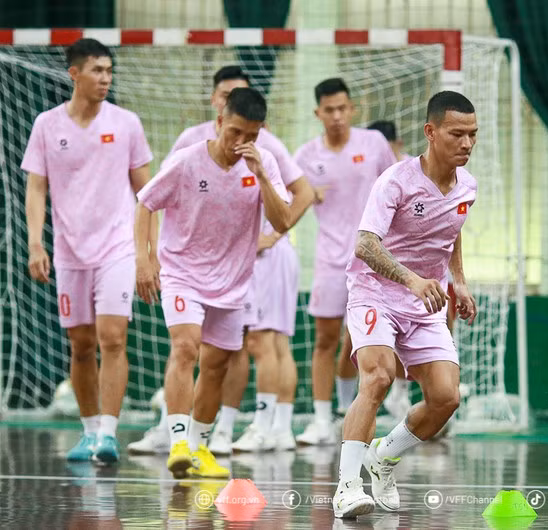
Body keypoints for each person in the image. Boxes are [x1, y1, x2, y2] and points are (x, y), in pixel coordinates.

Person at [127, 65, 314, 456]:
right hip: (182, 273)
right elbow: (145, 202)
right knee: (186, 347)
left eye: (251, 135)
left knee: (217, 365)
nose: (240, 142)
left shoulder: (264, 164)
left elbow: (282, 221)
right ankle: (178, 442)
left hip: (233, 281)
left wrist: (262, 174)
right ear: (218, 122)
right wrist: (144, 262)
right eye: (235, 133)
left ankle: (199, 448)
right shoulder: (186, 159)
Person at [332, 91, 478, 518]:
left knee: (446, 398)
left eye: (473, 135)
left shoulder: (467, 185)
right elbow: (365, 246)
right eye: (457, 134)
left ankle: (383, 457)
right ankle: (346, 487)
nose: (467, 143)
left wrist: (460, 282)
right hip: (375, 292)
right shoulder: (395, 180)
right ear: (431, 132)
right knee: (376, 379)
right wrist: (412, 279)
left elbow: (452, 230)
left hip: (425, 302)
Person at [22, 38, 155, 464]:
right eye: (97, 70)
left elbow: (147, 193)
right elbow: (36, 187)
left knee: (112, 338)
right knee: (80, 345)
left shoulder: (127, 122)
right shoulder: (47, 124)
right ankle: (89, 430)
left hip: (116, 248)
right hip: (67, 252)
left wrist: (149, 251)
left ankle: (109, 435)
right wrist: (35, 242)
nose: (105, 78)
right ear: (74, 74)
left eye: (109, 71)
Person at [293, 78, 396, 445]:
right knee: (325, 339)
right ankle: (323, 419)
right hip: (329, 260)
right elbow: (286, 200)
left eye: (342, 108)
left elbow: (397, 187)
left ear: (352, 109)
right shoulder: (305, 156)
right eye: (329, 110)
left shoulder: (375, 144)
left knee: (361, 341)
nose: (336, 116)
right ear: (318, 113)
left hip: (374, 260)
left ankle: (357, 410)